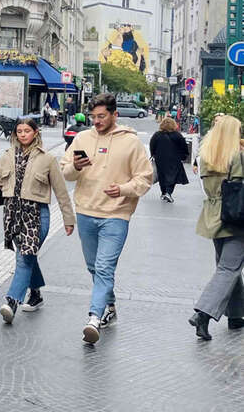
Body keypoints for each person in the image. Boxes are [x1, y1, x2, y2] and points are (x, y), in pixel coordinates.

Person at [61, 93, 153, 344]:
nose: (97, 121)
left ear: (115, 114)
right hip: (86, 211)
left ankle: (94, 317)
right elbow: (65, 172)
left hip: (116, 214)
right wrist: (76, 167)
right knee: (93, 267)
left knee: (104, 267)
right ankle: (109, 306)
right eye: (93, 117)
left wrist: (123, 189)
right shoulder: (82, 138)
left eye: (102, 116)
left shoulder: (131, 143)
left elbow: (145, 178)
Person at [0, 117, 75, 323]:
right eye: (19, 131)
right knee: (28, 257)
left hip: (37, 215)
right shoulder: (7, 156)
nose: (22, 134)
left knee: (24, 257)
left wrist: (68, 219)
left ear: (35, 133)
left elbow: (61, 191)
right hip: (13, 214)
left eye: (26, 131)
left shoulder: (47, 159)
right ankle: (36, 293)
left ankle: (12, 300)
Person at [189, 115, 244, 339]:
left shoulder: (206, 156)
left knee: (228, 267)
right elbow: (239, 188)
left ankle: (236, 315)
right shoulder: (237, 156)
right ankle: (203, 312)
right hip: (236, 217)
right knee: (229, 269)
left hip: (213, 215)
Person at [149, 117, 190, 203]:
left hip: (160, 159)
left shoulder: (157, 135)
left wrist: (153, 154)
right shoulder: (177, 135)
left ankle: (163, 192)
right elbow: (184, 147)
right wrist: (183, 156)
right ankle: (168, 192)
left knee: (162, 176)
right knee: (172, 176)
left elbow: (152, 145)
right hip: (174, 159)